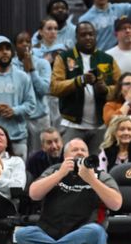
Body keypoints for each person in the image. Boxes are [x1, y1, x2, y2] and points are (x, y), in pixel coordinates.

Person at [15, 138, 122, 244]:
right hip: (51, 232)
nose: (80, 152)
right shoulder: (54, 170)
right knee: (22, 234)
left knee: (95, 231)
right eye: (75, 150)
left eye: (83, 150)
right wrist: (60, 174)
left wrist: (91, 180)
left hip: (84, 233)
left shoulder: (100, 175)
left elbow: (116, 204)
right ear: (65, 156)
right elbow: (34, 194)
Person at [50, 22, 121, 153]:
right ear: (76, 37)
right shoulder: (64, 58)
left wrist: (106, 90)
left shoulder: (107, 59)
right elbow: (55, 87)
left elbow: (120, 89)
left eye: (91, 34)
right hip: (72, 123)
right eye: (83, 35)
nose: (88, 38)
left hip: (101, 125)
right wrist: (79, 81)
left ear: (96, 36)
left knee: (98, 166)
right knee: (71, 163)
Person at [0, 36, 36, 159]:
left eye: (7, 48)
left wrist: (15, 111)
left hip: (17, 137)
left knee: (19, 175)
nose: (5, 52)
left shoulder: (23, 77)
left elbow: (31, 105)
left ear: (12, 53)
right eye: (0, 49)